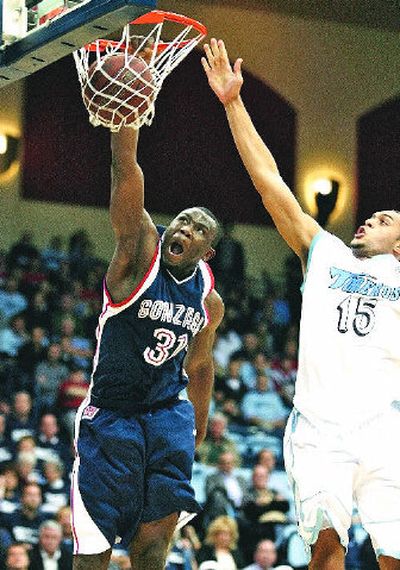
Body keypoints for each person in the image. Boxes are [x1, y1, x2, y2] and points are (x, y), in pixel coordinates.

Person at [202, 38, 400, 569]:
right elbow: (270, 182)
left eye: (383, 221)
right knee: (327, 549)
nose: (368, 220)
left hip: (385, 426)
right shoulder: (325, 253)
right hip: (320, 426)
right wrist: (233, 103)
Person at [70, 123, 224, 570]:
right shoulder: (139, 254)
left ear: (206, 251)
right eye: (182, 220)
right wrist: (126, 116)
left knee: (154, 548)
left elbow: (200, 365)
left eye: (197, 229)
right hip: (111, 415)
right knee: (95, 550)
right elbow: (126, 171)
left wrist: (197, 424)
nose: (184, 228)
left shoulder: (208, 300)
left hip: (165, 416)